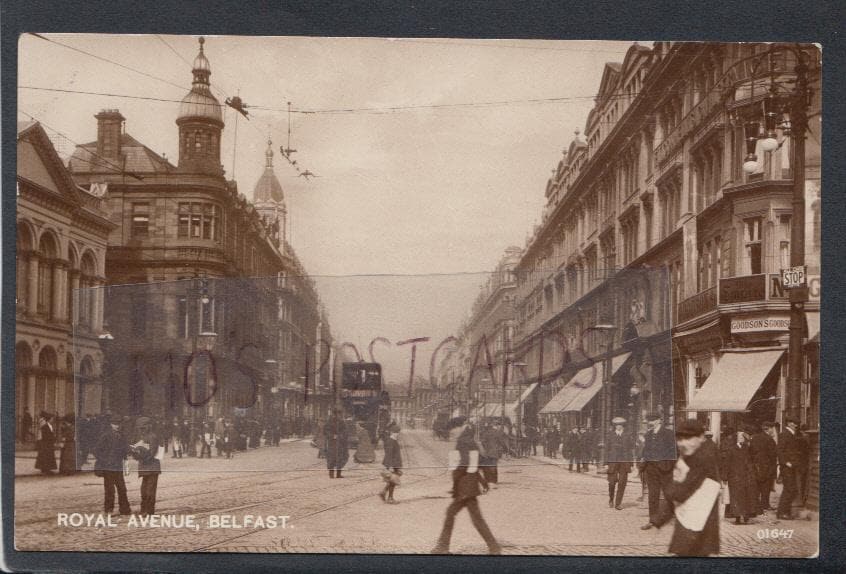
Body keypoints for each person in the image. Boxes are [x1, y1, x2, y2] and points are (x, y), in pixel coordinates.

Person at [431, 417, 501, 555]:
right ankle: (493, 547)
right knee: (475, 518)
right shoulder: (470, 439)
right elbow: (475, 464)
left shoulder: (463, 441)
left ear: (459, 427)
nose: (452, 433)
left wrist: (455, 481)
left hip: (464, 486)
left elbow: (464, 464)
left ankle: (443, 547)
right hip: (469, 486)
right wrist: (483, 482)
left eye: (452, 430)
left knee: (453, 514)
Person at [653, 420, 721, 556]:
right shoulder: (690, 455)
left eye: (689, 438)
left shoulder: (701, 458)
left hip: (696, 525)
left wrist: (659, 518)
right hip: (692, 521)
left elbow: (680, 491)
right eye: (680, 439)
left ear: (701, 437)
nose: (683, 443)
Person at [640, 413, 677, 530]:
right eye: (649, 421)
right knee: (653, 495)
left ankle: (673, 516)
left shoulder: (669, 433)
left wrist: (671, 466)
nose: (650, 423)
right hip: (651, 468)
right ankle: (653, 520)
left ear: (658, 421)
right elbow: (645, 450)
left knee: (668, 494)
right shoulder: (648, 434)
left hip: (665, 468)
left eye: (652, 420)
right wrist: (642, 463)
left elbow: (674, 450)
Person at [93, 414, 131, 516]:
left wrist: (130, 451)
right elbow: (96, 450)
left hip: (118, 466)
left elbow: (126, 449)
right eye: (115, 424)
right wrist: (104, 460)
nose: (117, 426)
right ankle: (108, 510)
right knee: (110, 490)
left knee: (122, 488)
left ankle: (125, 509)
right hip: (108, 467)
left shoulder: (122, 435)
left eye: (118, 424)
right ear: (111, 424)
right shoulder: (106, 435)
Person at [721, 427, 757, 524]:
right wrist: (724, 477)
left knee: (745, 497)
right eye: (740, 437)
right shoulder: (731, 449)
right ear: (736, 438)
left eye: (743, 437)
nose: (742, 439)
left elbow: (752, 459)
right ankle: (737, 517)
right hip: (734, 477)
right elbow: (726, 464)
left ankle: (745, 516)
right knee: (735, 498)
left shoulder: (747, 448)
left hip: (745, 477)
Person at [130, 417, 161, 516]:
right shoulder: (142, 437)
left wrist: (141, 457)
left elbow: (152, 453)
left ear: (148, 427)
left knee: (150, 490)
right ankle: (144, 509)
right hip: (144, 467)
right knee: (144, 490)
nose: (141, 430)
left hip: (152, 467)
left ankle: (149, 510)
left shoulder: (152, 437)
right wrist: (135, 453)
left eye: (143, 428)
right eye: (140, 428)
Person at [606, 417, 635, 510]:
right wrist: (606, 463)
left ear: (623, 426)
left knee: (622, 482)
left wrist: (631, 464)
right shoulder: (610, 435)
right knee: (612, 482)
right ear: (615, 426)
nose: (618, 427)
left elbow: (631, 449)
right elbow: (606, 450)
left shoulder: (628, 435)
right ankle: (611, 498)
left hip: (624, 462)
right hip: (613, 461)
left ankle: (618, 503)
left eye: (620, 425)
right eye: (617, 425)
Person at [776, 418, 802, 520]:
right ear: (789, 423)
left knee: (791, 489)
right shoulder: (784, 434)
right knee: (789, 489)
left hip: (792, 466)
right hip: (787, 467)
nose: (796, 425)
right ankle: (782, 513)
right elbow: (779, 450)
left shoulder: (793, 434)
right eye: (795, 423)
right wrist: (786, 462)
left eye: (797, 423)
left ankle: (784, 512)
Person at [750, 422, 778, 513]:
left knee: (757, 486)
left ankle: (756, 505)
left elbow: (751, 451)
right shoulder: (770, 440)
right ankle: (765, 505)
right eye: (772, 428)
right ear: (768, 429)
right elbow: (773, 455)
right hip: (767, 466)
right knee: (766, 486)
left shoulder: (754, 438)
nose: (773, 430)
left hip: (756, 465)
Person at [380, 423, 403, 504]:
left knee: (392, 481)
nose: (398, 434)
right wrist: (389, 466)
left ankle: (384, 493)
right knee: (393, 481)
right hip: (392, 464)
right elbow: (389, 454)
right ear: (392, 432)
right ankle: (390, 498)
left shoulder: (393, 440)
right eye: (396, 432)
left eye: (398, 432)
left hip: (394, 464)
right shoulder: (391, 441)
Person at [325, 408, 349, 478]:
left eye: (339, 414)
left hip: (340, 443)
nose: (338, 416)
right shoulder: (329, 422)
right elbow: (326, 431)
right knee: (332, 458)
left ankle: (338, 474)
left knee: (340, 458)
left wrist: (340, 436)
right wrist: (332, 436)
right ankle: (331, 474)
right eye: (336, 414)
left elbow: (345, 431)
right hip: (332, 443)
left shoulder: (342, 422)